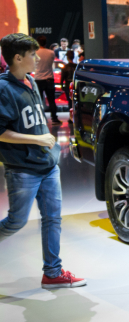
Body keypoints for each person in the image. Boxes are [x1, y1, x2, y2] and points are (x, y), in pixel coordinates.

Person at [0, 33, 87, 289]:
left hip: (47, 166)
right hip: (23, 170)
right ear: (18, 57)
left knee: (52, 219)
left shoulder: (30, 81)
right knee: (16, 221)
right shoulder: (3, 89)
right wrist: (37, 140)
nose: (38, 59)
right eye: (33, 55)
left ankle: (53, 272)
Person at [32, 36, 61, 125]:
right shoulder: (51, 52)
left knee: (38, 100)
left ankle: (40, 119)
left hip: (38, 79)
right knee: (52, 100)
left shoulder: (34, 53)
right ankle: (54, 119)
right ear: (45, 43)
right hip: (49, 78)